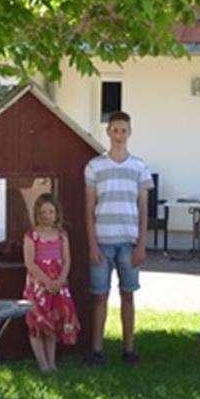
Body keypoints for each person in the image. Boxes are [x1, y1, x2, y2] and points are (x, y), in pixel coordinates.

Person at [83, 110, 152, 365]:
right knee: (99, 296)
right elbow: (89, 208)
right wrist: (91, 244)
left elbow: (144, 209)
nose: (119, 135)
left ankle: (129, 349)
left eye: (124, 130)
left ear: (130, 132)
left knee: (128, 294)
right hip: (102, 240)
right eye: (115, 130)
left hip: (129, 240)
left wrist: (142, 244)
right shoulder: (94, 167)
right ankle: (97, 349)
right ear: (108, 132)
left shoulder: (140, 167)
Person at [23, 193, 78, 371]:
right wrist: (46, 281)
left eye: (50, 212)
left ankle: (52, 363)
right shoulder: (31, 235)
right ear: (37, 214)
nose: (47, 216)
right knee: (37, 322)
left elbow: (67, 259)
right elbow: (29, 262)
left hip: (58, 285)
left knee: (53, 322)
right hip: (38, 285)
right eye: (43, 212)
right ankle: (42, 363)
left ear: (57, 214)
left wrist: (60, 280)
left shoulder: (61, 235)